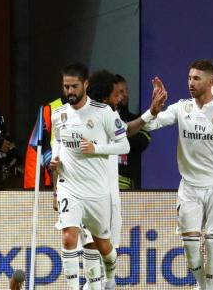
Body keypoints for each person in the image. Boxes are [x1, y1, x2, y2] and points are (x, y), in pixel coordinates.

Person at [127, 59, 213, 289]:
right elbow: (149, 126)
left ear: (211, 81)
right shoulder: (181, 108)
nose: (191, 83)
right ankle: (203, 285)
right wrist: (153, 110)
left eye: (196, 78)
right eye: (189, 78)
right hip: (189, 187)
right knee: (192, 250)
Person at [49, 63, 129, 290]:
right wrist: (55, 159)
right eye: (66, 87)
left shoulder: (103, 113)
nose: (70, 91)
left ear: (85, 84)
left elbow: (124, 146)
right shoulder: (59, 115)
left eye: (74, 86)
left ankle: (110, 276)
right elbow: (57, 141)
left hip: (96, 190)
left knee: (103, 245)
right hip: (69, 186)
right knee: (68, 237)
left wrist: (97, 148)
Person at [115, 74, 151, 190]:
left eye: (126, 90)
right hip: (103, 183)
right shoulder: (101, 119)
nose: (125, 95)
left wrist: (116, 134)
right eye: (120, 91)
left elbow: (143, 141)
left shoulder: (136, 119)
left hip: (129, 185)